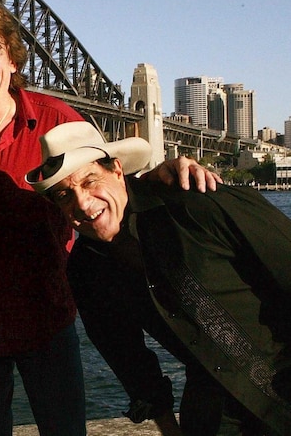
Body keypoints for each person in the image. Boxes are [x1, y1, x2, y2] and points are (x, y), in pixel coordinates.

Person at [0, 0, 219, 436]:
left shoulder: (55, 121)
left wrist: (166, 172)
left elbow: (110, 181)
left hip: (46, 315)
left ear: (12, 62)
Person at [26, 121, 291, 436]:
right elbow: (131, 362)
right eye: (64, 194)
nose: (81, 203)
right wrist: (169, 428)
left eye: (90, 180)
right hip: (214, 416)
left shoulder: (198, 201)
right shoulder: (86, 272)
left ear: (117, 170)